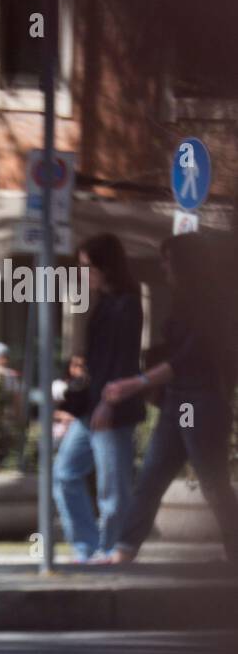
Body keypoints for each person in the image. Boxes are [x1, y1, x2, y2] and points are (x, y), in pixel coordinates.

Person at [96, 232, 238, 564]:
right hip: (179, 402)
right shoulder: (183, 302)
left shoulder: (211, 306)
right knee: (152, 476)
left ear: (186, 264)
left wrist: (138, 382)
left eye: (168, 260)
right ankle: (124, 551)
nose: (163, 267)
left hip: (197, 403)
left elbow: (188, 357)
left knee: (212, 482)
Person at [52, 234, 145, 563]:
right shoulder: (103, 302)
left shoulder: (127, 303)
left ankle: (110, 550)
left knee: (113, 488)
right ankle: (88, 547)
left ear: (106, 266)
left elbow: (121, 362)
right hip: (91, 408)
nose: (84, 273)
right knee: (64, 473)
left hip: (112, 409)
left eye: (88, 266)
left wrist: (108, 403)